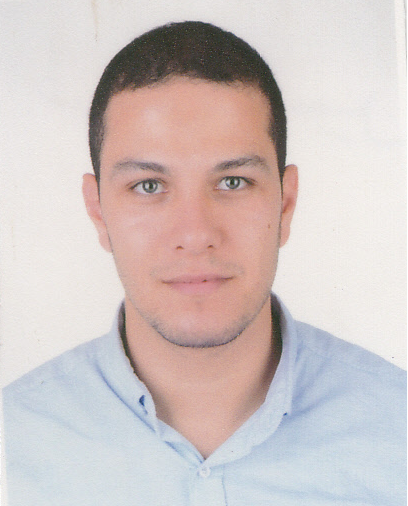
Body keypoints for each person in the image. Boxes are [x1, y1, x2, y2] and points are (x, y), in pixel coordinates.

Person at [3, 21, 405, 506]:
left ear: (285, 204)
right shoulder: (14, 444)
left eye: (233, 182)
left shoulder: (396, 428)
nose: (195, 235)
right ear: (98, 211)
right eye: (149, 186)